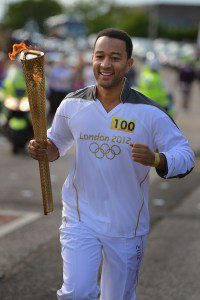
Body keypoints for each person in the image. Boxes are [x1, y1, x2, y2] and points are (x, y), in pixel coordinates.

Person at [28, 28, 195, 300]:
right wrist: (41, 149)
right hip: (80, 217)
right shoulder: (72, 104)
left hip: (126, 226)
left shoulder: (149, 112)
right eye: (100, 56)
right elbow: (55, 143)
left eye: (115, 58)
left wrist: (157, 159)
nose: (106, 64)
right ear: (91, 59)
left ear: (129, 64)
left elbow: (185, 155)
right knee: (76, 293)